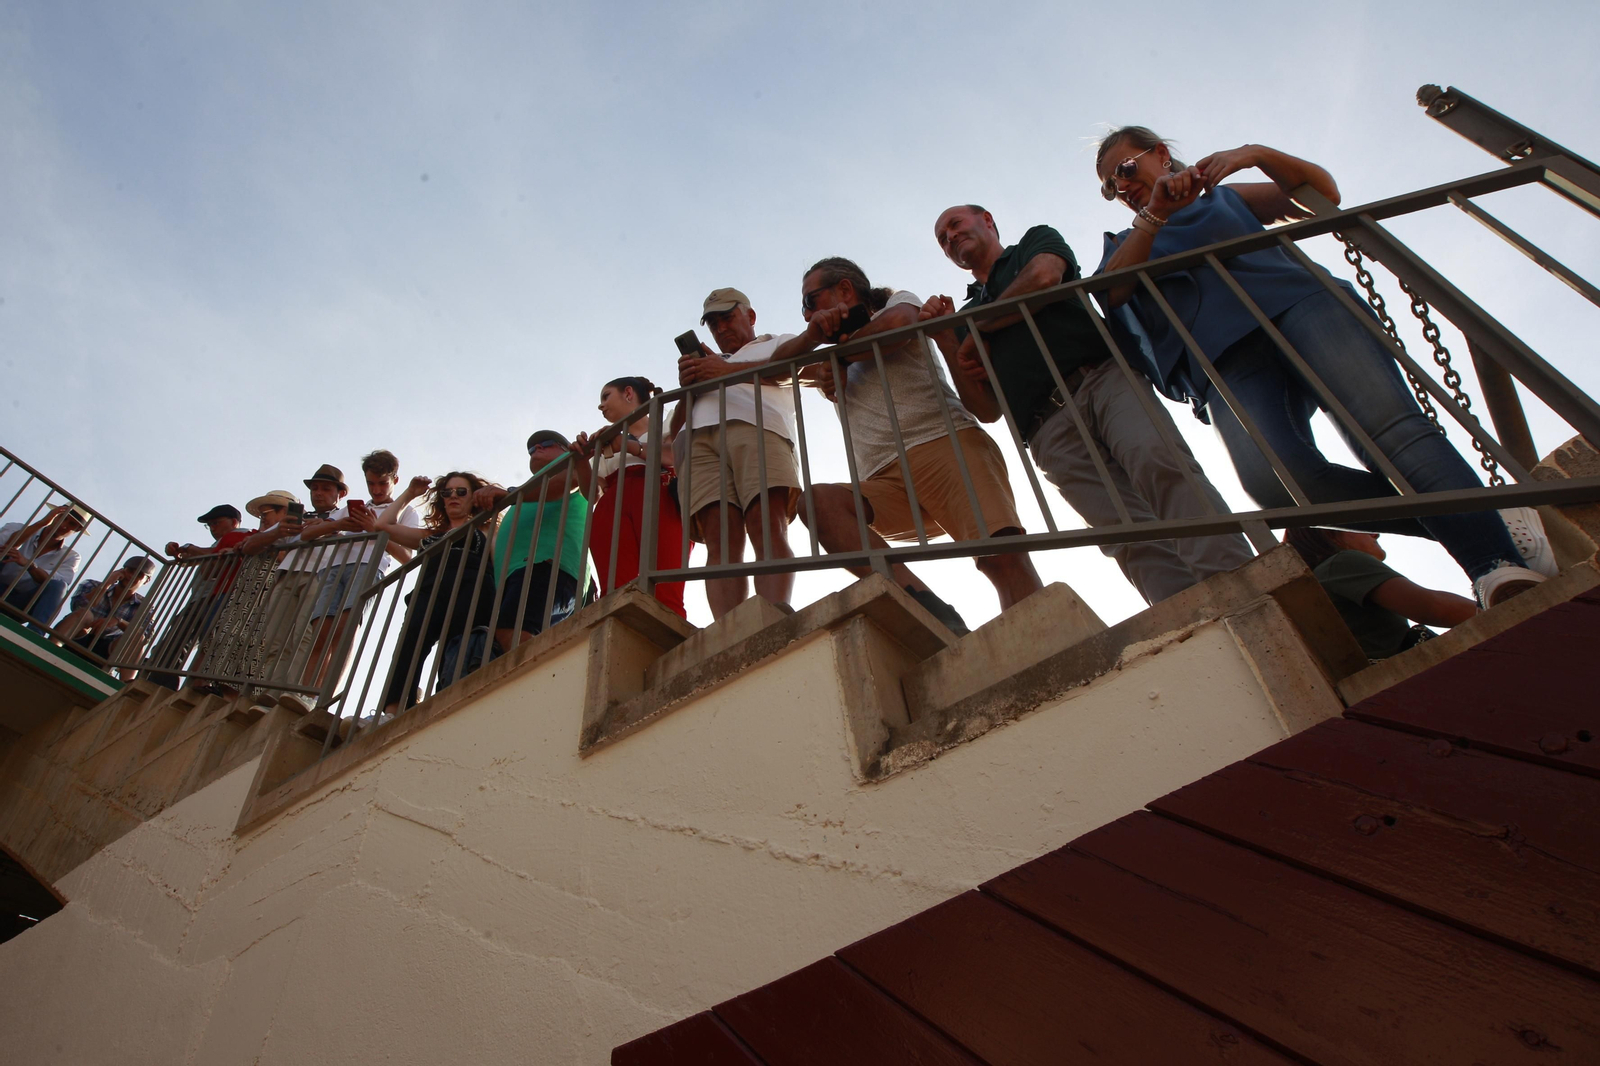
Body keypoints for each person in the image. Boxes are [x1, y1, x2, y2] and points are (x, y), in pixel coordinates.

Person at [1091, 127, 1552, 608]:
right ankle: (1491, 522)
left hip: (1304, 305)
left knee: (1391, 433)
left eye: (1124, 170)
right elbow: (1112, 292)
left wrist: (1255, 153)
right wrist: (1154, 215)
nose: (1120, 187)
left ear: (1161, 155)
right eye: (1109, 186)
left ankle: (1493, 566)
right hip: (1223, 360)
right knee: (1274, 484)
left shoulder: (1223, 200)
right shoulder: (1126, 241)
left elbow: (1321, 193)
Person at [925, 204, 1255, 606]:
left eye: (955, 225)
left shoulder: (1034, 241)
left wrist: (984, 325)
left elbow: (1045, 276)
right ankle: (1186, 611)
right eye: (943, 239)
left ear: (988, 220)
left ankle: (1241, 585)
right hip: (1045, 428)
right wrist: (947, 339)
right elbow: (987, 408)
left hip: (1102, 378)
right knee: (1121, 531)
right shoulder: (964, 317)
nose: (951, 237)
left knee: (1161, 465)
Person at [772, 257, 1047, 633]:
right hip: (885, 483)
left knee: (1002, 558)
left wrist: (840, 355)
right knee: (818, 504)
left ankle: (1046, 641)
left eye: (810, 301)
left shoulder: (895, 302)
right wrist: (815, 342)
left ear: (846, 290)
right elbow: (774, 371)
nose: (806, 314)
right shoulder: (822, 353)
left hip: (944, 446)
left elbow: (901, 324)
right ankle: (931, 613)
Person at [672, 287, 801, 619]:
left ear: (750, 316)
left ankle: (774, 615)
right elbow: (675, 430)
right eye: (713, 324)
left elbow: (796, 369)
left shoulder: (776, 342)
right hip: (698, 441)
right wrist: (690, 388)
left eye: (727, 318)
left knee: (766, 525)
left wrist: (723, 372)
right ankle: (729, 630)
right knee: (720, 541)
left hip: (758, 427)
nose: (721, 329)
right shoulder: (708, 365)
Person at [293, 453, 425, 707]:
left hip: (367, 568)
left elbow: (407, 556)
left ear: (395, 480)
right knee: (321, 632)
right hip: (332, 568)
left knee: (344, 631)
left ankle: (322, 699)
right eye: (371, 484)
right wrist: (340, 524)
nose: (376, 490)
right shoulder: (349, 509)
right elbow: (307, 535)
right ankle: (302, 694)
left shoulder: (405, 512)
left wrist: (374, 529)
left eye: (382, 484)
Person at [377, 472, 501, 715]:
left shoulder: (487, 529)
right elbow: (382, 525)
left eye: (461, 491)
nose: (453, 496)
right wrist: (410, 493)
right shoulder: (430, 536)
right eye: (447, 492)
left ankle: (445, 704)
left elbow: (498, 564)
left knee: (457, 649)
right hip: (428, 594)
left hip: (472, 592)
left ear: (473, 497)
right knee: (409, 647)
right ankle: (393, 712)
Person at [578, 377, 688, 618]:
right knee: (616, 591)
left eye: (606, 396)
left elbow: (673, 457)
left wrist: (629, 446)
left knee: (665, 586)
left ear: (628, 393)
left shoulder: (666, 422)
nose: (601, 406)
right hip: (612, 503)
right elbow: (592, 494)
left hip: (661, 495)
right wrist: (581, 462)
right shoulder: (603, 442)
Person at [475, 431, 592, 653]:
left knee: (515, 631)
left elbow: (569, 481)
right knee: (513, 633)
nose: (535, 449)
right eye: (531, 449)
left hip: (546, 565)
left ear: (565, 448)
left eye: (545, 444)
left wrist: (509, 493)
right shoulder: (531, 488)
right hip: (523, 571)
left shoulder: (570, 464)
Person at [1285, 527, 1477, 661]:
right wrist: (1499, 609)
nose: (1375, 533)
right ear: (1331, 535)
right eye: (1358, 527)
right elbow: (1435, 608)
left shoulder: (1323, 576)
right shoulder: (1341, 563)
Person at [147, 504, 254, 688]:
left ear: (234, 522)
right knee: (176, 640)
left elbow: (217, 557)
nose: (212, 528)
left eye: (216, 522)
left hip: (220, 597)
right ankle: (160, 682)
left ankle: (193, 685)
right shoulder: (218, 543)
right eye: (209, 524)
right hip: (201, 599)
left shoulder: (242, 534)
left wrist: (191, 548)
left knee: (204, 642)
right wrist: (179, 551)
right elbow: (200, 557)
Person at [58, 556, 158, 675]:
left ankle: (125, 686)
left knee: (137, 637)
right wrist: (106, 584)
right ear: (122, 570)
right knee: (84, 613)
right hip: (78, 636)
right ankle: (50, 648)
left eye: (139, 575)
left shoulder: (143, 606)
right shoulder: (92, 584)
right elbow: (78, 605)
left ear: (146, 580)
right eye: (130, 570)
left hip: (108, 650)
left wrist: (118, 621)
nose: (132, 576)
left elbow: (146, 635)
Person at [0, 503, 91, 628]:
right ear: (54, 515)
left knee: (59, 586)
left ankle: (33, 635)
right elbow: (4, 547)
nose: (64, 525)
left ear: (77, 530)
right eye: (62, 517)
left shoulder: (71, 556)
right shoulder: (16, 528)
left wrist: (31, 565)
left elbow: (59, 584)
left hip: (23, 603)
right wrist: (42, 523)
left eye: (71, 524)